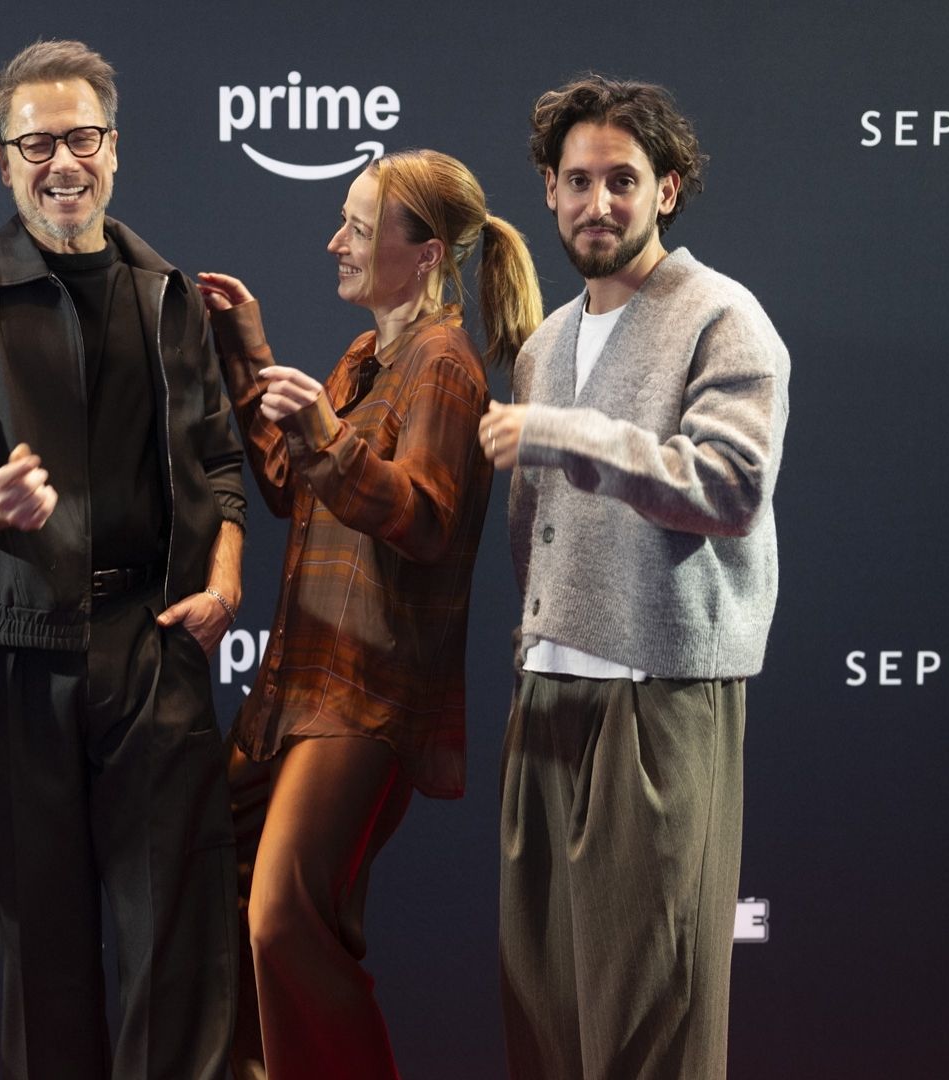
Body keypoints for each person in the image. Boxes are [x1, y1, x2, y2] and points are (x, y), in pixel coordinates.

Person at [0, 39, 246, 1080]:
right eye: (38, 142)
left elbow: (222, 461)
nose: (64, 162)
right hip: (20, 657)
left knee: (177, 950)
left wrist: (227, 580)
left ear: (114, 149)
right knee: (44, 951)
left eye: (82, 138)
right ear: (5, 162)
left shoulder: (166, 292)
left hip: (156, 644)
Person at [198, 149, 541, 1078]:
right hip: (298, 691)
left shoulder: (445, 367)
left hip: (367, 703)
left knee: (280, 917)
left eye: (356, 225)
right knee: (222, 895)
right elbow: (291, 483)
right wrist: (249, 354)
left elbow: (422, 517)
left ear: (424, 252)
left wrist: (324, 433)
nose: (334, 241)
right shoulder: (366, 354)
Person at [478, 74, 790, 1079]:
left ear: (669, 188)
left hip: (659, 706)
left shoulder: (722, 317)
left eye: (623, 179)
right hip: (547, 701)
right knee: (544, 1022)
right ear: (547, 190)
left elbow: (727, 485)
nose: (597, 203)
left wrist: (562, 434)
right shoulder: (546, 344)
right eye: (577, 180)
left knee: (650, 1032)